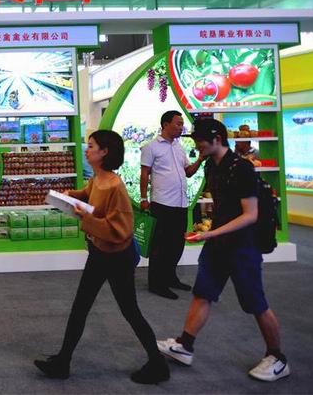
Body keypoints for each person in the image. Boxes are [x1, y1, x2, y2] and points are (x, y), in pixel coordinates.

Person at [158, 118, 289, 382]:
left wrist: (211, 233)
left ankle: (278, 358)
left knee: (256, 303)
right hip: (218, 244)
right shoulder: (211, 165)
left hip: (242, 247)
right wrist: (211, 232)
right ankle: (185, 345)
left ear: (217, 139)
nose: (197, 146)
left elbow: (250, 215)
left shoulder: (242, 168)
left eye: (200, 141)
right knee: (203, 293)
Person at [35, 130, 170, 384]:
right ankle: (63, 361)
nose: (87, 150)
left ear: (104, 152)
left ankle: (157, 363)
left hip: (116, 257)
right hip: (100, 252)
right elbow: (89, 194)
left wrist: (86, 218)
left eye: (91, 146)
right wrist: (71, 196)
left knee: (129, 310)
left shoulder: (115, 186)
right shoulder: (98, 179)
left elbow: (120, 230)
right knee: (81, 307)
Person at [140, 111, 205, 299]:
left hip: (181, 203)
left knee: (176, 245)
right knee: (160, 246)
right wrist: (143, 198)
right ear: (165, 124)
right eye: (178, 123)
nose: (181, 127)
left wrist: (200, 159)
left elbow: (188, 172)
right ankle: (156, 284)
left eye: (182, 124)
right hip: (162, 203)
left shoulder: (179, 147)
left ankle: (170, 278)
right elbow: (144, 173)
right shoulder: (151, 147)